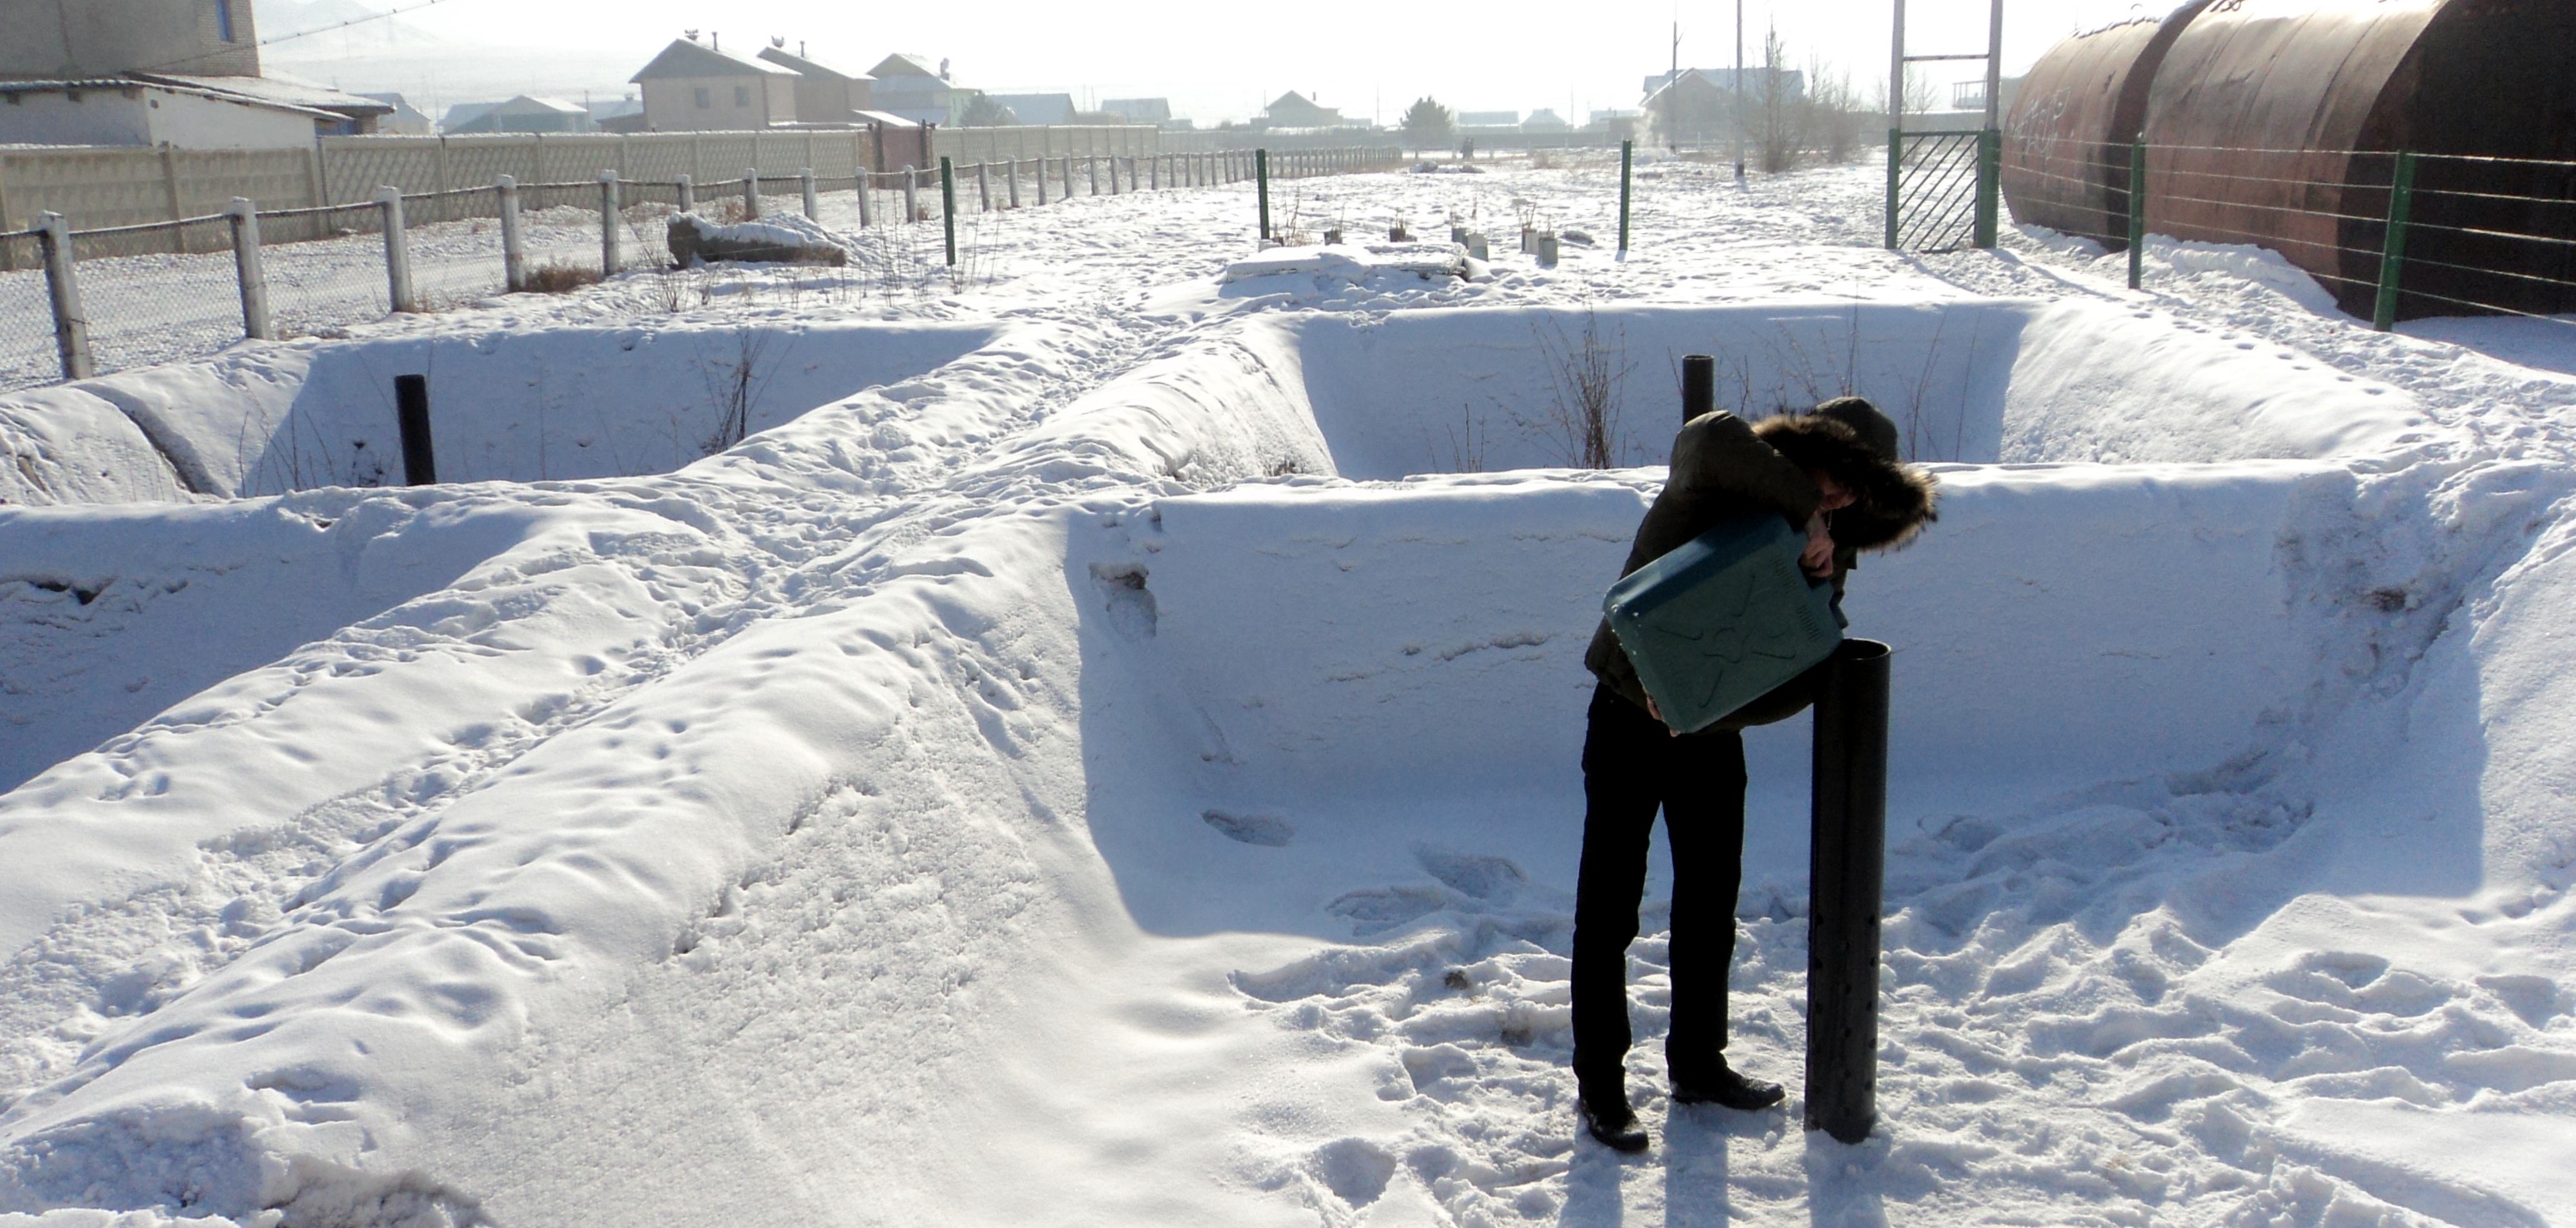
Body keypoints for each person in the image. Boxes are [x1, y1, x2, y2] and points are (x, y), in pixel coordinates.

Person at [1571, 396, 1937, 1153]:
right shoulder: (1725, 478)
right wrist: (1803, 512)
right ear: (1809, 454)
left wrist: (1703, 705)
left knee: (1709, 904)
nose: (1838, 500)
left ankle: (1698, 1062)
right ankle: (1600, 1085)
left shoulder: (1830, 542)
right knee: (1609, 908)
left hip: (1708, 733)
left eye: (1855, 493)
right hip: (1626, 715)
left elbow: (1799, 663)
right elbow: (1703, 437)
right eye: (1836, 477)